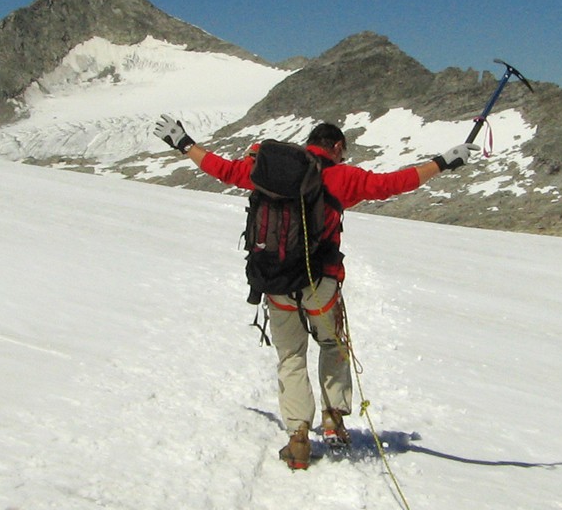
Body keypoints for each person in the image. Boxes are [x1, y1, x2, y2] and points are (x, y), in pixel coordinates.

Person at [155, 115, 476, 469]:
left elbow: (223, 170)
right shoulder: (343, 177)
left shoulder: (269, 170)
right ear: (336, 147)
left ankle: (298, 439)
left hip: (277, 282)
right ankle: (334, 421)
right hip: (321, 284)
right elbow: (395, 184)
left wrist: (184, 143)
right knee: (332, 345)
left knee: (291, 356)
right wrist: (445, 161)